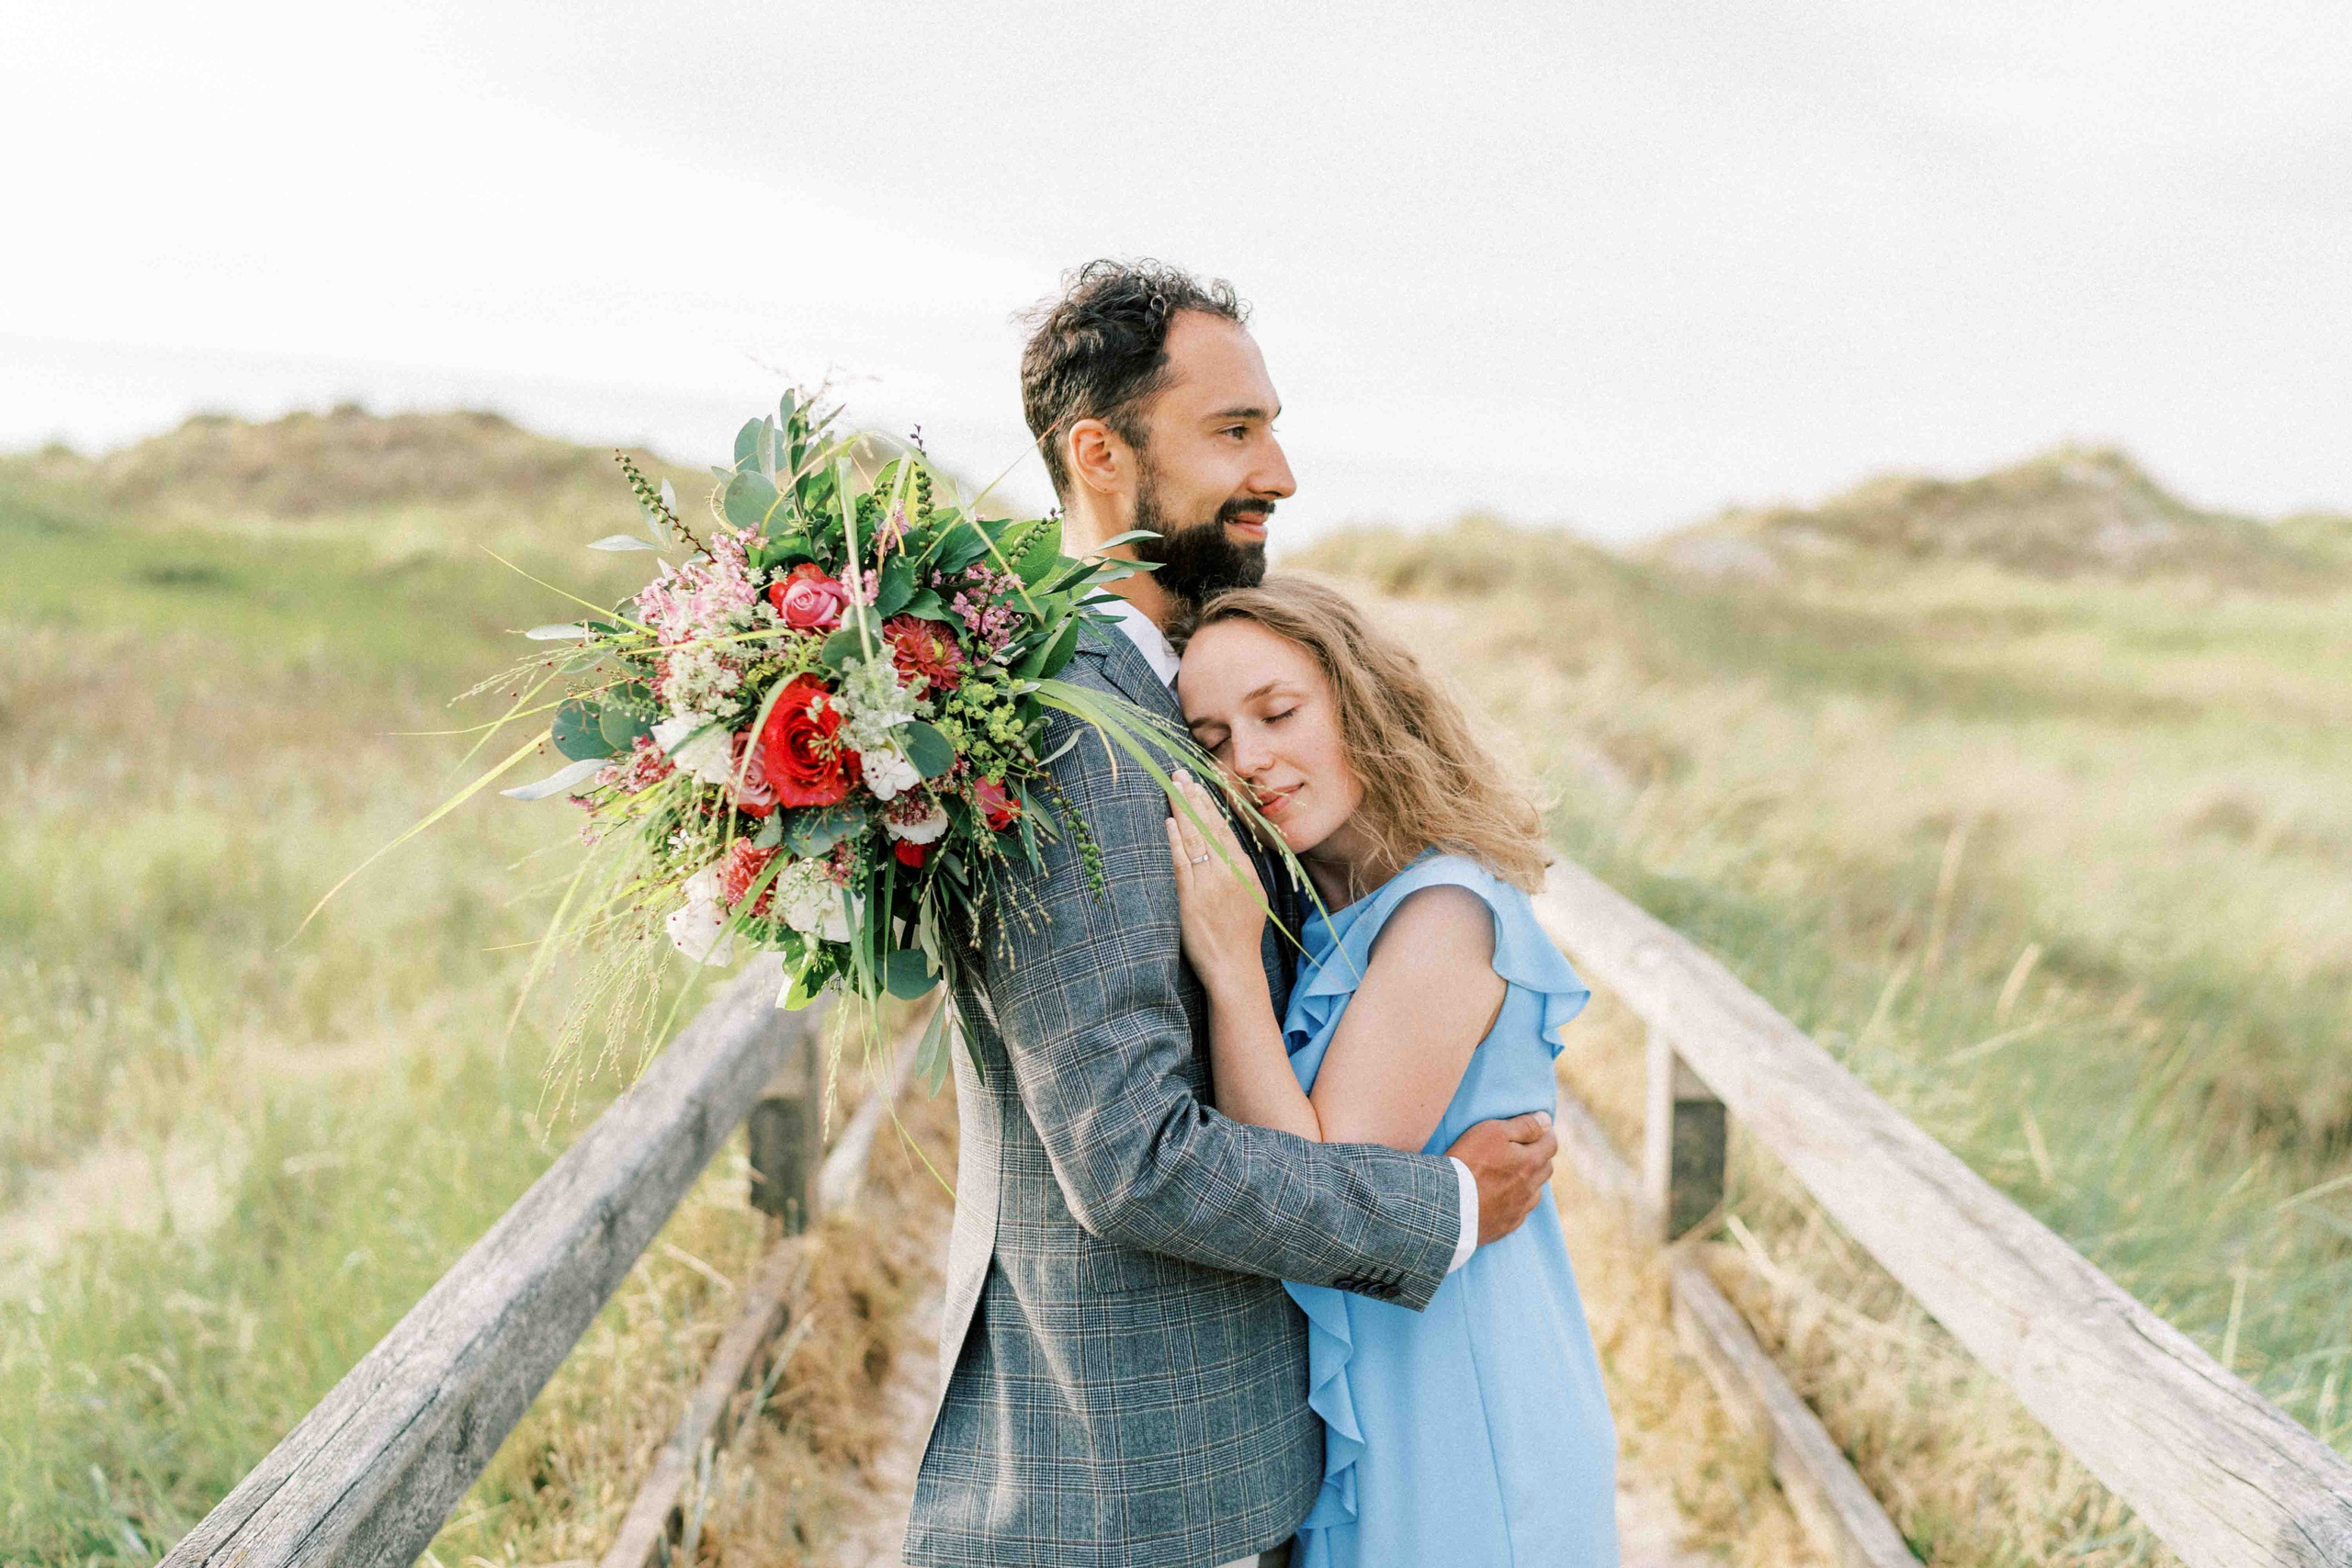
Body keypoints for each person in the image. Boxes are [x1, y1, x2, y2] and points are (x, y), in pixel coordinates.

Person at [902, 260, 1562, 1568]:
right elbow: (1129, 1156)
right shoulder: (1073, 727)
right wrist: (1439, 1206)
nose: (1282, 472)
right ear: (1103, 453)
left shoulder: (1149, 692)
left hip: (1194, 1453)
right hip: (1137, 1478)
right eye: (1235, 430)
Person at [1167, 576, 1619, 1568]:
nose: (1248, 759)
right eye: (1209, 739)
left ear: (1363, 705)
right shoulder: (1334, 920)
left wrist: (1231, 968)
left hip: (1461, 1405)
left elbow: (1313, 1201)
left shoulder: (1442, 914)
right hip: (1397, 1390)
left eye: (1278, 713)